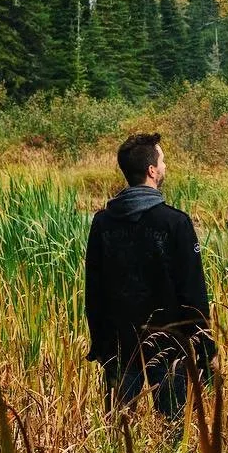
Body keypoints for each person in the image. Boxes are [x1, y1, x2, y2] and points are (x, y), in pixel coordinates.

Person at [85, 132, 214, 417]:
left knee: (119, 430)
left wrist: (100, 345)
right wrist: (205, 351)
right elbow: (193, 293)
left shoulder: (103, 222)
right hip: (168, 345)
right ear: (152, 171)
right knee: (173, 428)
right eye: (163, 161)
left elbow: (93, 290)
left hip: (118, 343)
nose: (165, 166)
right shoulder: (175, 223)